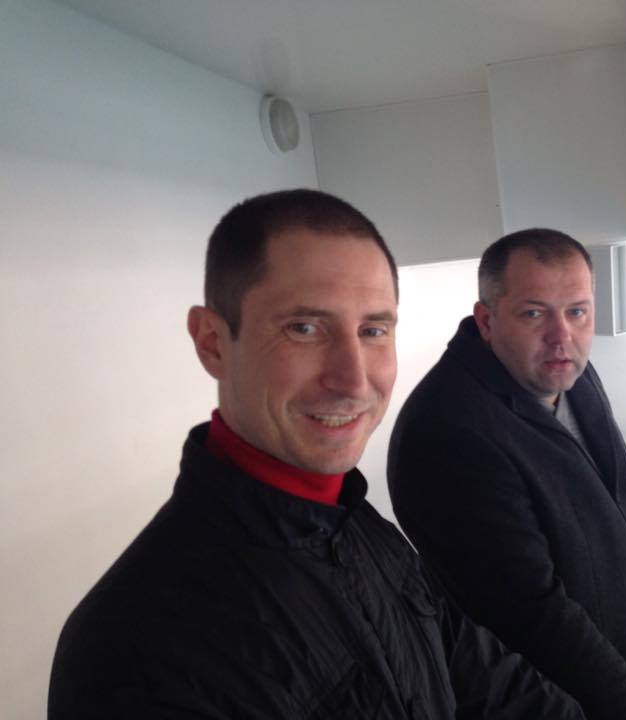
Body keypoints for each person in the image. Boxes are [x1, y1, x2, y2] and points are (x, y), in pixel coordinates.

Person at [48, 192, 584, 719]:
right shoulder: (136, 651)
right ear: (212, 342)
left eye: (373, 330)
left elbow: (490, 680)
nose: (353, 379)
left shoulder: (355, 524)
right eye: (304, 329)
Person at [388, 228, 626, 720]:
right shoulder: (450, 433)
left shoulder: (569, 373)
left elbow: (622, 478)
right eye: (534, 313)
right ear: (486, 320)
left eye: (577, 312)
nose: (561, 335)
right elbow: (537, 620)